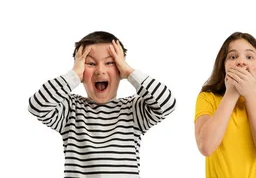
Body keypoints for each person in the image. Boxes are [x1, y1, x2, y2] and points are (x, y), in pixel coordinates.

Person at [27, 31, 177, 177]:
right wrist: (73, 74)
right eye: (90, 63)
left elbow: (167, 104)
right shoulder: (70, 109)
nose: (100, 70)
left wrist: (129, 72)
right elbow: (37, 106)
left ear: (119, 69)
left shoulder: (132, 110)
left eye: (110, 62)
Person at [194, 32, 256, 178]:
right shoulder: (207, 97)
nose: (241, 62)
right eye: (233, 56)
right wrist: (231, 93)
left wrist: (250, 94)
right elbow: (206, 147)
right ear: (223, 65)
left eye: (249, 57)